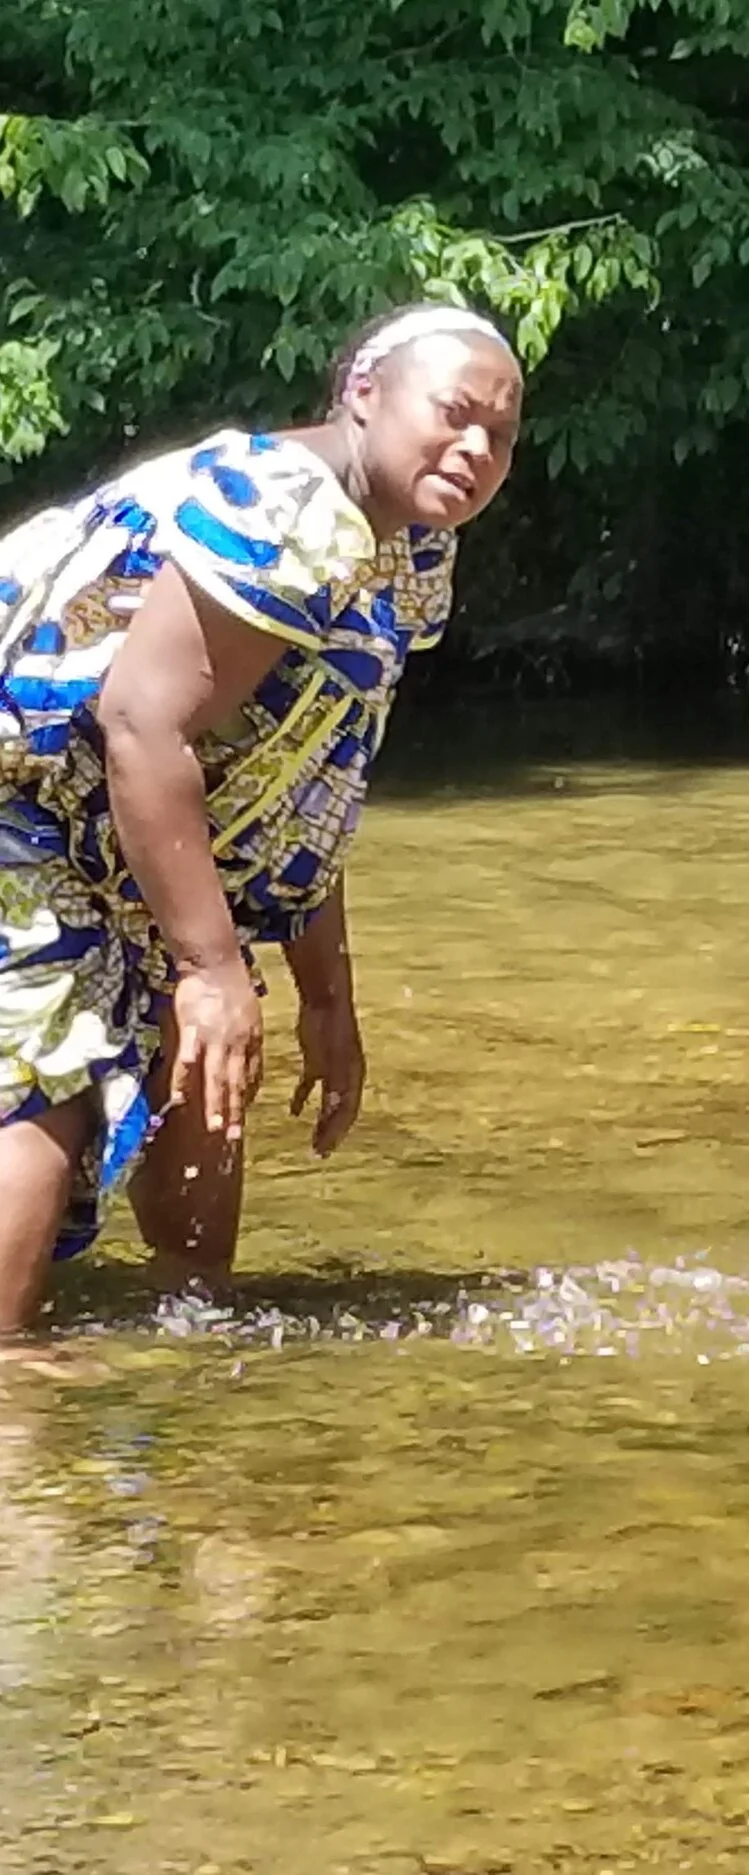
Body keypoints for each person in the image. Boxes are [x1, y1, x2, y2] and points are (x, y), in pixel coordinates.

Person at [0, 302, 525, 1349]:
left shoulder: (410, 546)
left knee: (207, 1119)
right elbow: (142, 722)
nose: (474, 449)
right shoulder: (282, 501)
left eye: (500, 436)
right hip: (29, 808)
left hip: (127, 834)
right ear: (363, 396)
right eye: (454, 414)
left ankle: (185, 1390)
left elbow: (303, 766)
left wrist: (325, 992)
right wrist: (208, 968)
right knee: (41, 1094)